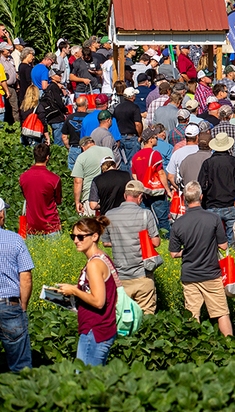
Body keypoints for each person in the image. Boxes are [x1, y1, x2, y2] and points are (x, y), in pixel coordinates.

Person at [169, 181, 233, 337]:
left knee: (192, 315)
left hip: (189, 275)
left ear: (185, 198)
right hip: (211, 273)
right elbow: (224, 246)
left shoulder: (178, 223)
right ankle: (231, 348)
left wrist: (187, 251)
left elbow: (173, 253)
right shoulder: (213, 218)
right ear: (201, 197)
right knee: (221, 313)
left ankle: (195, 348)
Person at [56, 216, 118, 366]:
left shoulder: (94, 264)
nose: (76, 240)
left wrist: (74, 291)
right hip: (99, 329)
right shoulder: (102, 258)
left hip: (95, 330)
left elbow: (98, 301)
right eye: (73, 236)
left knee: (86, 381)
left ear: (95, 236)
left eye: (81, 236)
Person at [102, 180, 160, 314]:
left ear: (125, 195)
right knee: (147, 317)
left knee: (123, 318)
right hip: (142, 275)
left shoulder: (110, 215)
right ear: (140, 197)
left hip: (120, 278)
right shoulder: (146, 214)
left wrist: (120, 241)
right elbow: (156, 242)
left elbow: (105, 242)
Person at [0, 197, 33, 372]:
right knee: (20, 365)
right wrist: (23, 306)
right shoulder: (15, 240)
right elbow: (26, 277)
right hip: (9, 304)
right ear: (1, 215)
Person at [197, 132, 235, 246]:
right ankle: (230, 259)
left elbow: (201, 185)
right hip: (230, 203)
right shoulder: (234, 162)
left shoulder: (208, 163)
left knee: (212, 237)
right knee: (231, 237)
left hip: (212, 204)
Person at [19, 143, 61, 235]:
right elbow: (58, 200)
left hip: (31, 225)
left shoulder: (23, 177)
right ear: (47, 157)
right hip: (51, 225)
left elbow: (26, 196)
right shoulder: (54, 179)